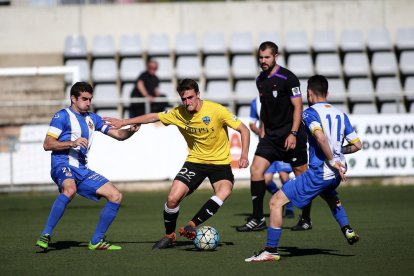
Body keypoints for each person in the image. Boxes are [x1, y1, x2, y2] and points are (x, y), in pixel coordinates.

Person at [104, 79, 250, 250]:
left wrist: (244, 154)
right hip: (196, 161)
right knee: (173, 198)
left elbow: (244, 129)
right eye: (184, 99)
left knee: (224, 191)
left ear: (198, 95)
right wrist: (123, 122)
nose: (187, 102)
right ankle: (169, 235)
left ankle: (192, 224)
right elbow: (153, 116)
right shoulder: (179, 113)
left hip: (220, 163)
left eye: (190, 97)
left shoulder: (216, 110)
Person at [245, 75, 362, 262]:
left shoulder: (309, 113)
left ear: (309, 93)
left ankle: (270, 251)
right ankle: (347, 229)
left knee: (275, 202)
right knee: (330, 197)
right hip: (337, 174)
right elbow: (357, 145)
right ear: (327, 93)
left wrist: (331, 159)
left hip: (321, 171)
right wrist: (338, 155)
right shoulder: (341, 114)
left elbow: (321, 138)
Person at [35, 82, 139, 251]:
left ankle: (96, 241)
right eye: (84, 99)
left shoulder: (93, 119)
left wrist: (130, 130)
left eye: (90, 99)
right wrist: (72, 142)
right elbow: (47, 144)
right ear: (73, 98)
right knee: (70, 189)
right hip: (62, 164)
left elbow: (119, 135)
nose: (88, 103)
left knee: (116, 196)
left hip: (82, 169)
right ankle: (45, 234)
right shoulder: (61, 116)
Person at [236, 41, 310, 232]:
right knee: (256, 171)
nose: (263, 61)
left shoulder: (288, 78)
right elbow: (265, 107)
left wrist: (293, 133)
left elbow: (298, 107)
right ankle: (258, 218)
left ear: (276, 56)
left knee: (301, 174)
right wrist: (262, 129)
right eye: (260, 57)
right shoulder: (260, 79)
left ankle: (306, 218)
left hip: (291, 135)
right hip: (270, 137)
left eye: (266, 57)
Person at [248, 96, 295, 218]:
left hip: (280, 144)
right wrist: (260, 132)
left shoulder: (280, 97)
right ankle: (281, 198)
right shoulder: (255, 103)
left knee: (284, 176)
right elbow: (252, 123)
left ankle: (289, 208)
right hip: (267, 147)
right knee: (266, 179)